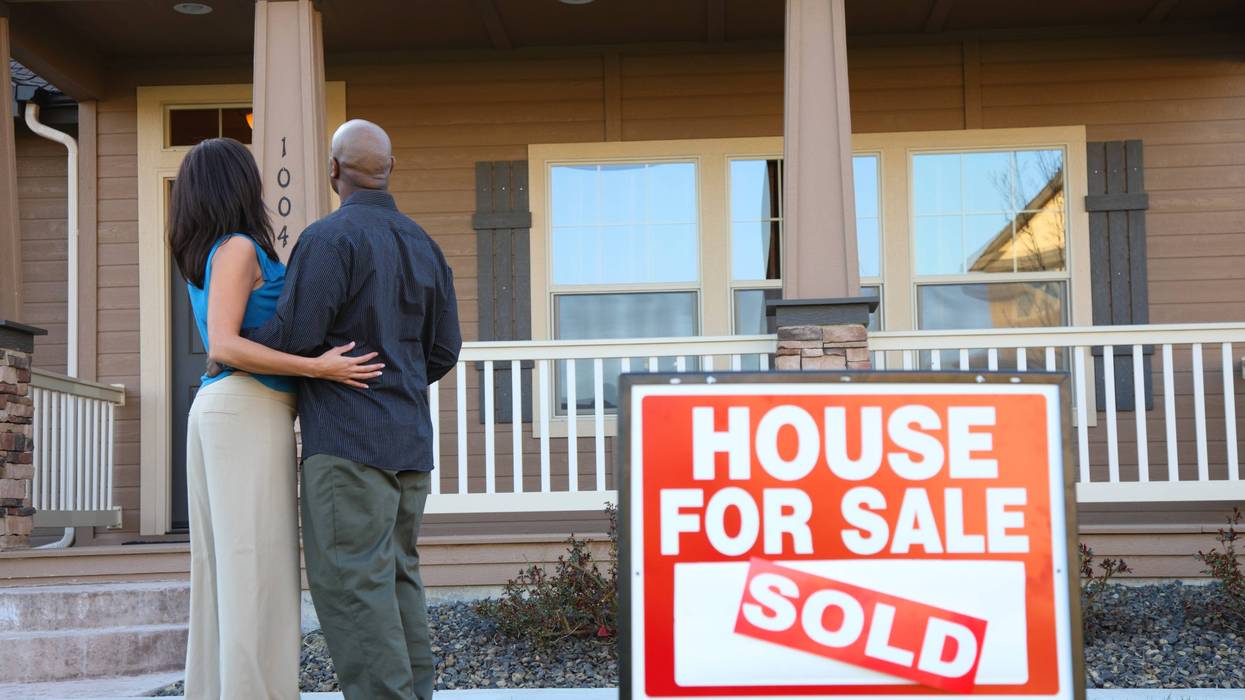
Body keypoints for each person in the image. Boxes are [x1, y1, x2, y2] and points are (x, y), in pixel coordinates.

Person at [244, 119, 462, 700]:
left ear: (335, 170)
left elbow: (294, 334)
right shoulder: (426, 245)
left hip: (347, 445)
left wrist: (235, 333)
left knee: (350, 588)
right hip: (409, 444)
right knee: (396, 579)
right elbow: (445, 350)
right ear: (389, 170)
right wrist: (398, 380)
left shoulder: (329, 239)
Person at [167, 137, 384, 700]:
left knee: (229, 571)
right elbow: (225, 344)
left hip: (227, 410)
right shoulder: (236, 247)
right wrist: (317, 368)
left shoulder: (209, 250)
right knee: (255, 571)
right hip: (244, 409)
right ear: (238, 185)